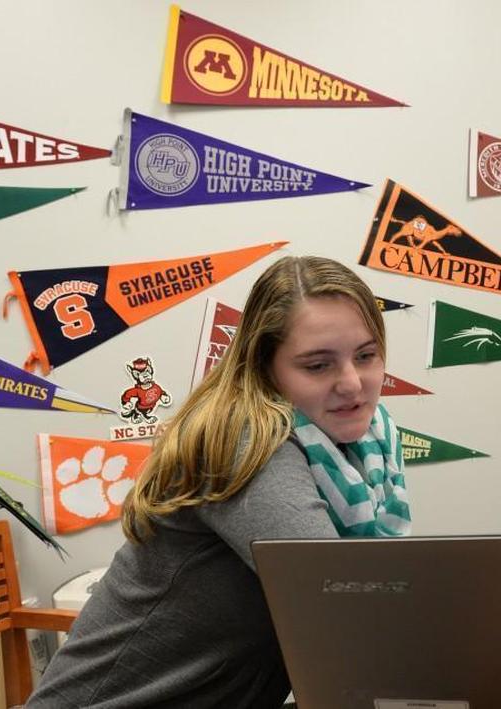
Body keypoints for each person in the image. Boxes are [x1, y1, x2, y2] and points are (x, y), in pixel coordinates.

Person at [28, 256, 410, 708]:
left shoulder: (362, 448)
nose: (352, 384)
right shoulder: (245, 442)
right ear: (264, 368)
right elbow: (344, 607)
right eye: (317, 366)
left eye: (365, 356)